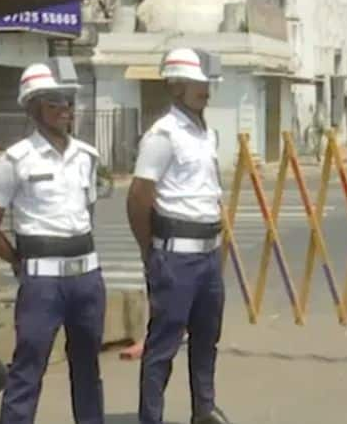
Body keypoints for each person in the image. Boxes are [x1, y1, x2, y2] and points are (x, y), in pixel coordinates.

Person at [0, 59, 105, 424]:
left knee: (88, 367)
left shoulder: (87, 157)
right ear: (33, 108)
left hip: (87, 279)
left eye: (68, 102)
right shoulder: (15, 161)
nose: (65, 110)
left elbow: (86, 216)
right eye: (54, 103)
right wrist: (17, 261)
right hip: (42, 282)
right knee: (29, 366)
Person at [126, 47, 231, 424]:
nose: (205, 90)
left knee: (207, 339)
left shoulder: (206, 133)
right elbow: (139, 197)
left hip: (208, 255)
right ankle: (150, 417)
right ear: (175, 88)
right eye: (197, 84)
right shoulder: (163, 135)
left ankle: (203, 408)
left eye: (207, 83)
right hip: (175, 257)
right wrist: (150, 253)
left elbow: (209, 192)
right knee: (163, 346)